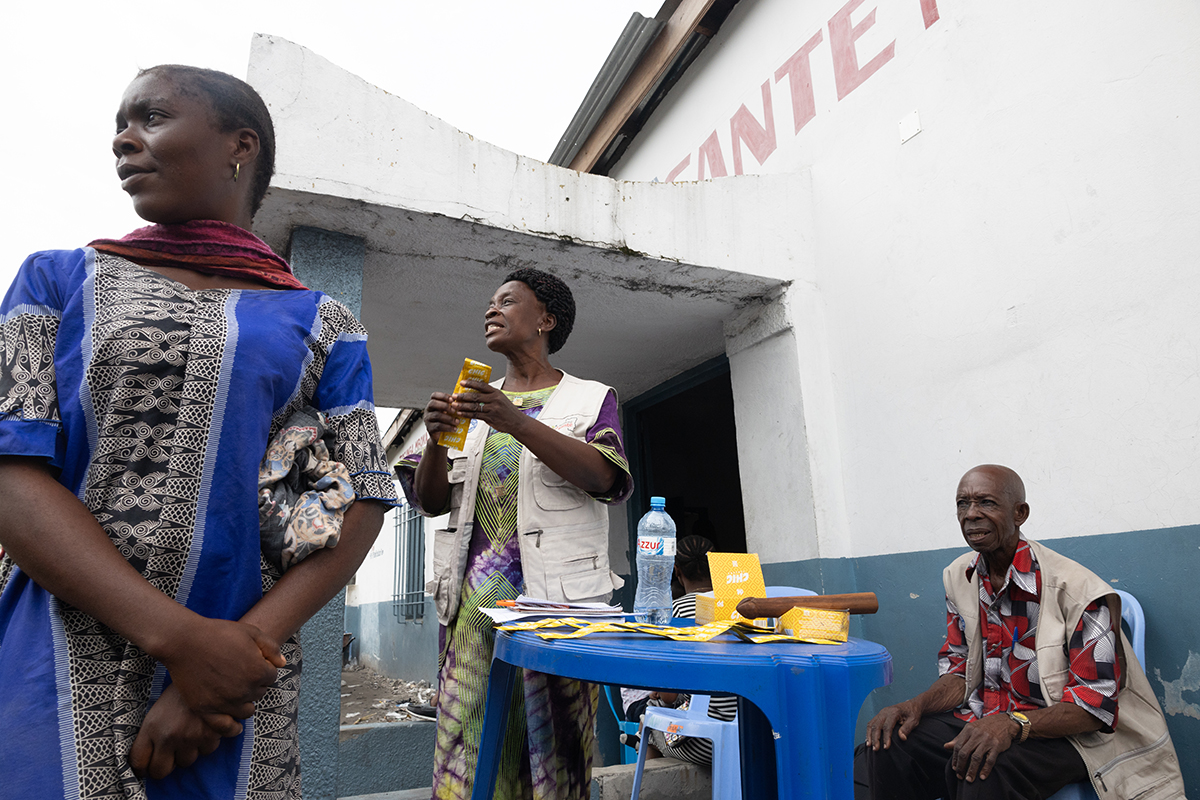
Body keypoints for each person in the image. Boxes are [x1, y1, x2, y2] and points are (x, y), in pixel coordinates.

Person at [0, 65, 397, 799]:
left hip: (233, 691)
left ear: (239, 146)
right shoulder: (56, 281)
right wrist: (183, 642)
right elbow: (11, 474)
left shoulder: (323, 322)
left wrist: (234, 660)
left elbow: (366, 498)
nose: (123, 140)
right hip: (56, 654)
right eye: (119, 126)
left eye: (150, 117)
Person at [396, 268, 632, 800]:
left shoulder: (590, 398)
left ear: (546, 319)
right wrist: (435, 441)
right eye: (490, 303)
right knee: (467, 749)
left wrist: (517, 422)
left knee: (555, 749)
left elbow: (605, 479)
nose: (491, 310)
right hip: (472, 612)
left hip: (559, 612)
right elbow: (430, 502)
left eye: (507, 301)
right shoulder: (471, 402)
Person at [854, 465, 1185, 800]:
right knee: (888, 744)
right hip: (985, 719)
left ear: (1019, 514)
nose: (971, 514)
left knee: (984, 767)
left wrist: (1013, 724)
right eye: (962, 504)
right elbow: (960, 673)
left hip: (1068, 735)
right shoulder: (959, 576)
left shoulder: (1078, 590)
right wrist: (916, 705)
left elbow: (1092, 707)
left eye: (986, 503)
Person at [622, 535, 737, 766]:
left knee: (651, 715)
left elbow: (669, 694)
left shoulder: (673, 613)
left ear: (677, 570)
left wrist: (658, 695)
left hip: (705, 741)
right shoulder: (739, 606)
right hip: (747, 731)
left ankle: (644, 759)